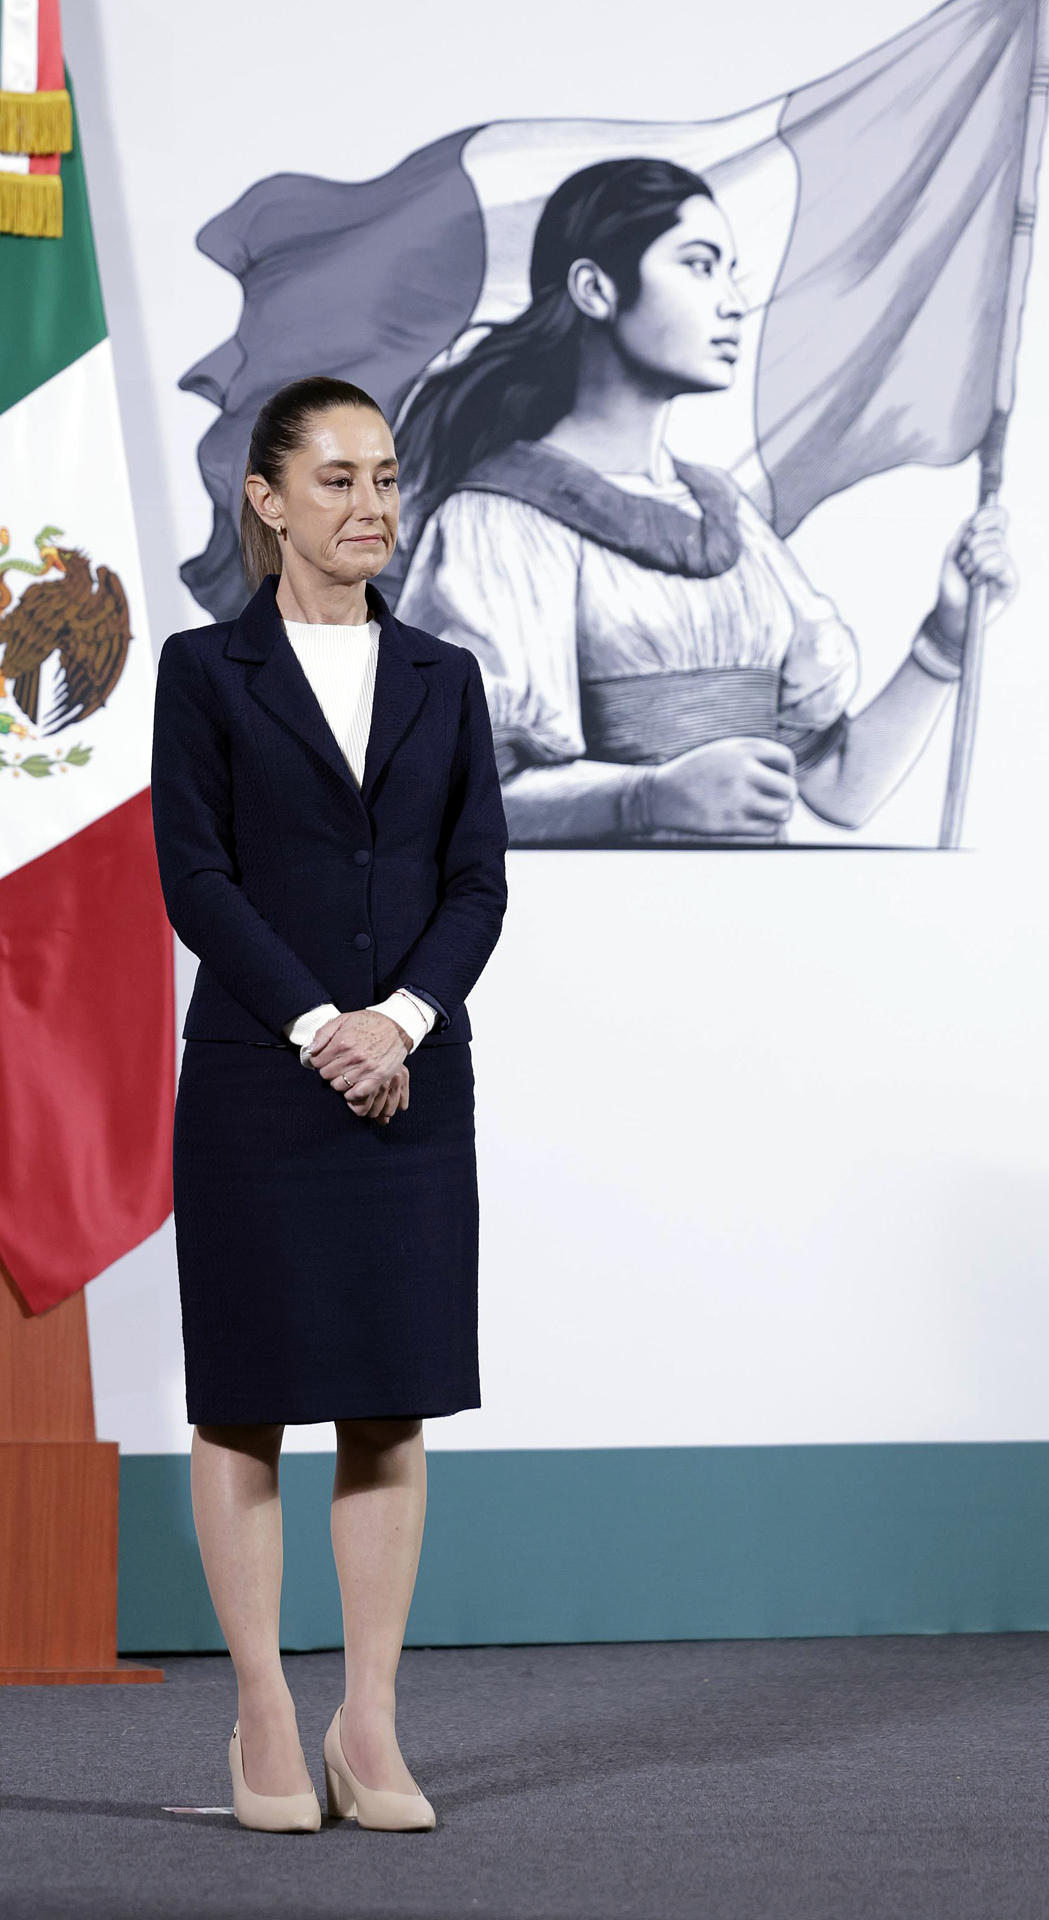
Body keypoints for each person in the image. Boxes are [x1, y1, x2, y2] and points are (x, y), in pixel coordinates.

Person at [150, 375, 508, 1832]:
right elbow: (198, 881)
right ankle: (261, 1716)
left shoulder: (447, 676)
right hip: (259, 1080)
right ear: (268, 498)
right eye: (342, 479)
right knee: (245, 1405)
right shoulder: (202, 672)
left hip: (413, 1085)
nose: (374, 506)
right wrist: (320, 1028)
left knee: (388, 1400)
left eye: (387, 479)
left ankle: (370, 1722)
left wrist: (401, 1020)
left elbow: (478, 878)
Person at [391, 158, 1017, 846]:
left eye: (729, 270)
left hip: (749, 933)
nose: (730, 300)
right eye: (698, 264)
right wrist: (646, 798)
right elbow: (450, 799)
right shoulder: (498, 522)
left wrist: (946, 636)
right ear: (594, 289)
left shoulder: (729, 519)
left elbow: (841, 789)